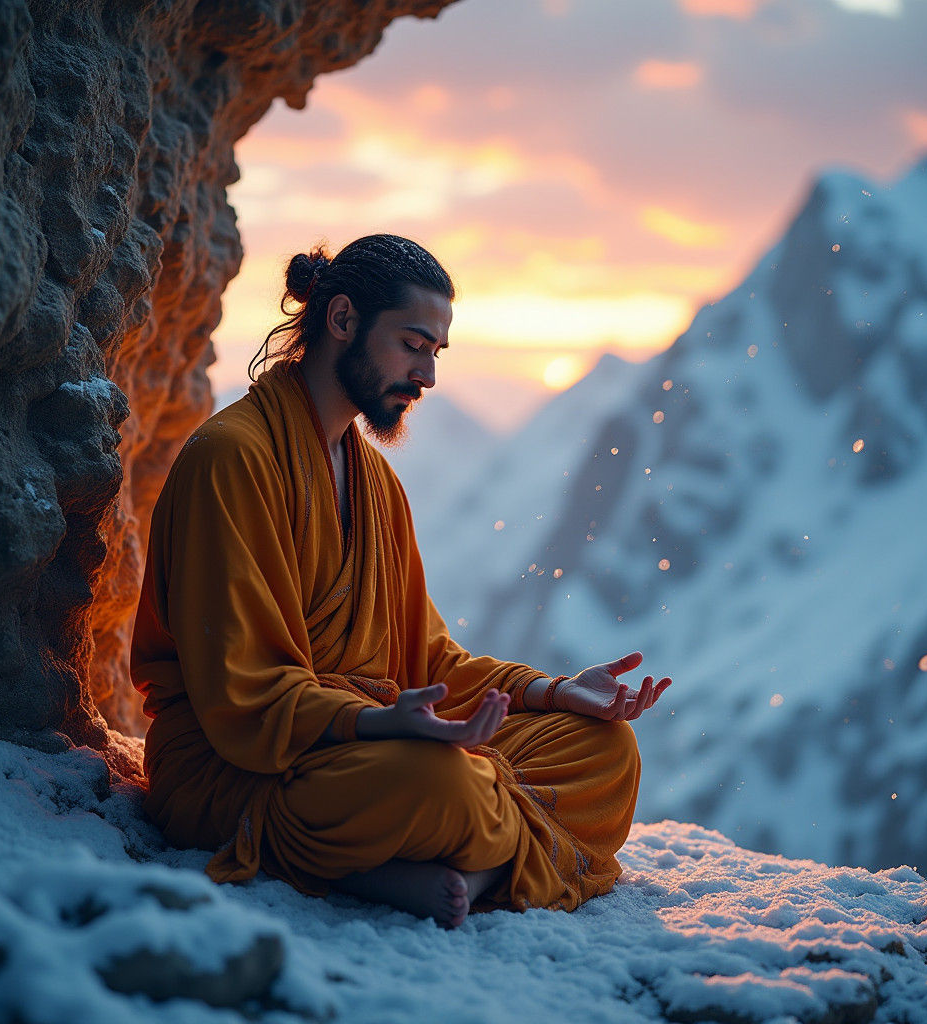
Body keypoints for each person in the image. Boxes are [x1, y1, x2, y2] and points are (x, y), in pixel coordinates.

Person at [130, 233, 671, 928]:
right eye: (413, 345)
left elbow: (431, 662)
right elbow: (244, 696)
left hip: (371, 743)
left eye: (436, 352)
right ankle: (468, 863)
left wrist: (553, 692)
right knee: (439, 780)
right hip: (238, 763)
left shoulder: (376, 483)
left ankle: (439, 864)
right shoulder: (231, 458)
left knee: (605, 752)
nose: (428, 376)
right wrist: (380, 724)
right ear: (343, 319)